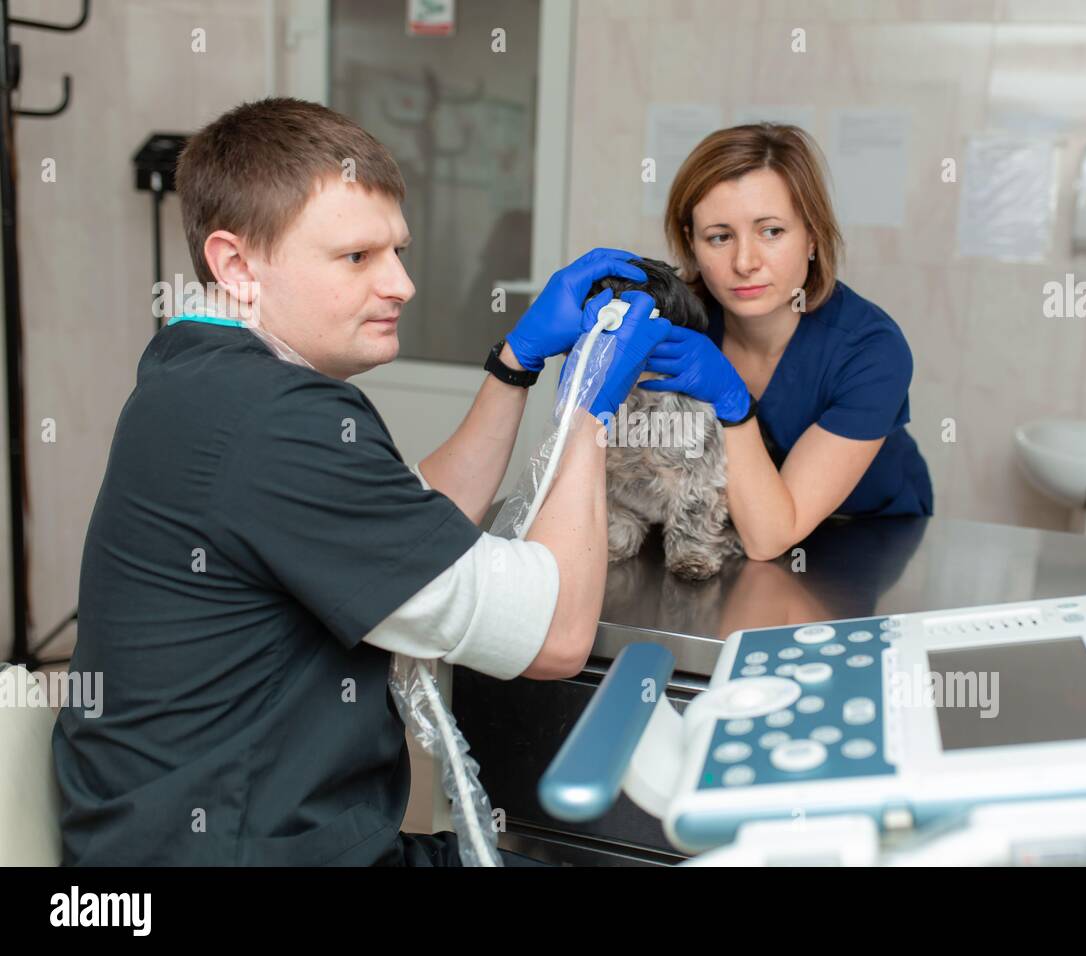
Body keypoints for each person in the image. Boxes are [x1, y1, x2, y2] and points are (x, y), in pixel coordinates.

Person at [52, 97, 670, 866]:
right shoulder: (272, 421)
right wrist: (589, 408)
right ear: (236, 265)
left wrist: (515, 364)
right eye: (357, 258)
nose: (402, 284)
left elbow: (409, 527)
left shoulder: (197, 372)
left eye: (397, 251)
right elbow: (554, 637)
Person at [639, 123, 933, 561]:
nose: (744, 262)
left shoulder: (871, 351)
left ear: (812, 235)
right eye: (719, 237)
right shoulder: (677, 323)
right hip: (729, 533)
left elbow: (770, 537)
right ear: (691, 244)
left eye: (771, 231)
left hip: (865, 540)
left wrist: (731, 403)